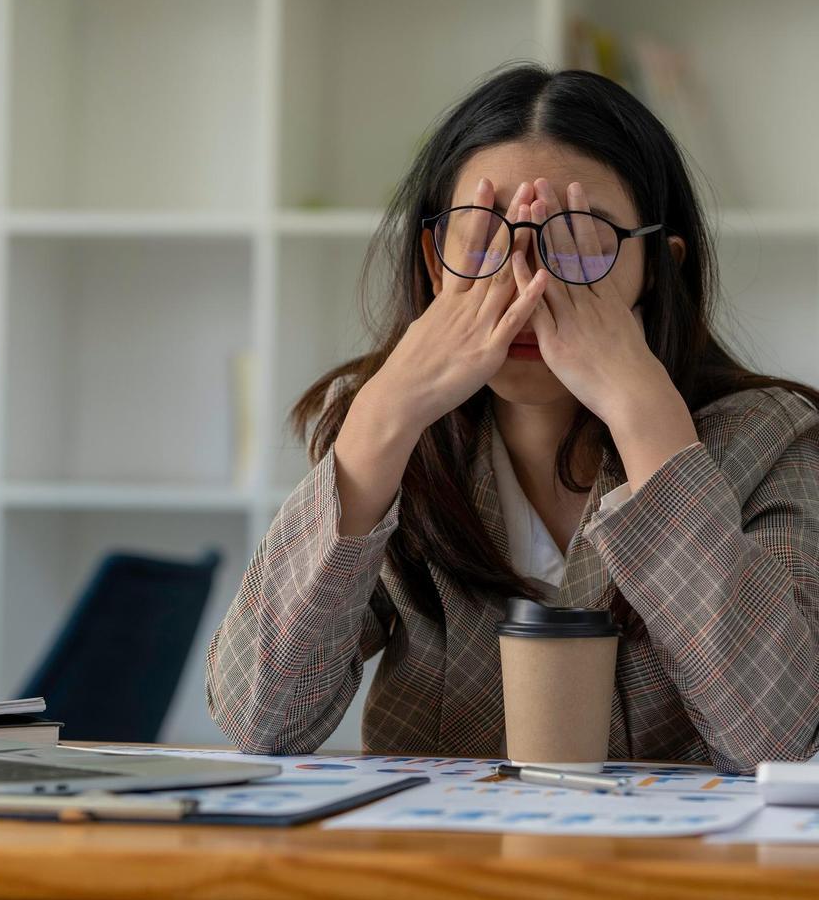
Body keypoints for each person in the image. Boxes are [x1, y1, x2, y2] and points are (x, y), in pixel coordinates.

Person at [205, 61, 819, 774]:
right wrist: (380, 419)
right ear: (436, 266)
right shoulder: (397, 441)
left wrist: (645, 417)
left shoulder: (774, 438)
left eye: (579, 241)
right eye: (485, 238)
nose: (526, 284)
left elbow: (780, 743)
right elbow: (259, 720)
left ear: (658, 267)